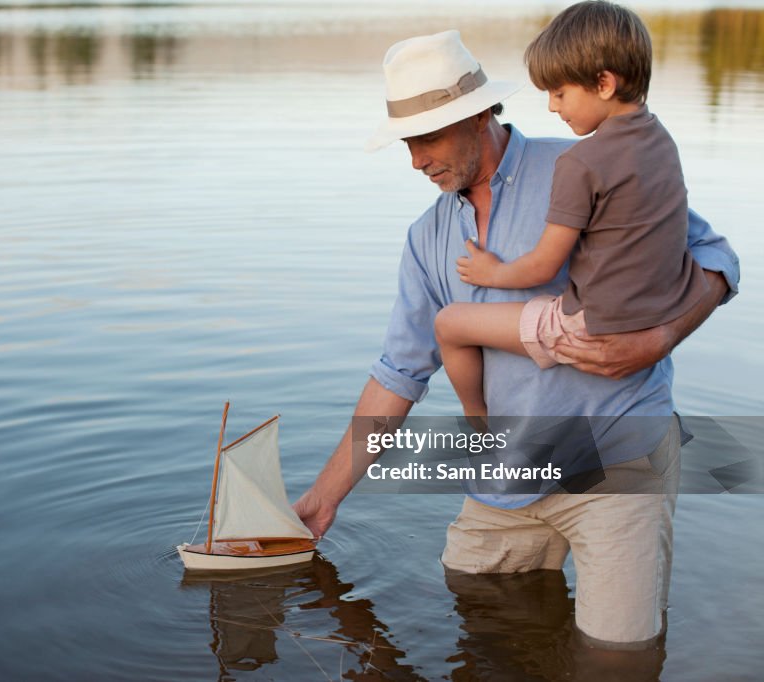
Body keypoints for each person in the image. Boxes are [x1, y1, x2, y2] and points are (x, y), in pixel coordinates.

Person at [293, 25, 739, 649]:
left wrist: (659, 338)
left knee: (619, 658)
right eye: (407, 143)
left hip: (617, 460)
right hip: (504, 478)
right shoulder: (427, 240)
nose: (416, 160)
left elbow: (717, 258)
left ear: (478, 116)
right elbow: (399, 373)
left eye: (427, 139)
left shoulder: (586, 165)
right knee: (483, 628)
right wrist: (322, 498)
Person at [433, 1, 708, 424]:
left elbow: (543, 265)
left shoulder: (581, 163)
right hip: (659, 310)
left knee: (451, 324)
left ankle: (477, 421)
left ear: (603, 83)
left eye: (559, 93)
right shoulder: (662, 141)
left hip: (589, 327)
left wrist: (492, 273)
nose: (552, 107)